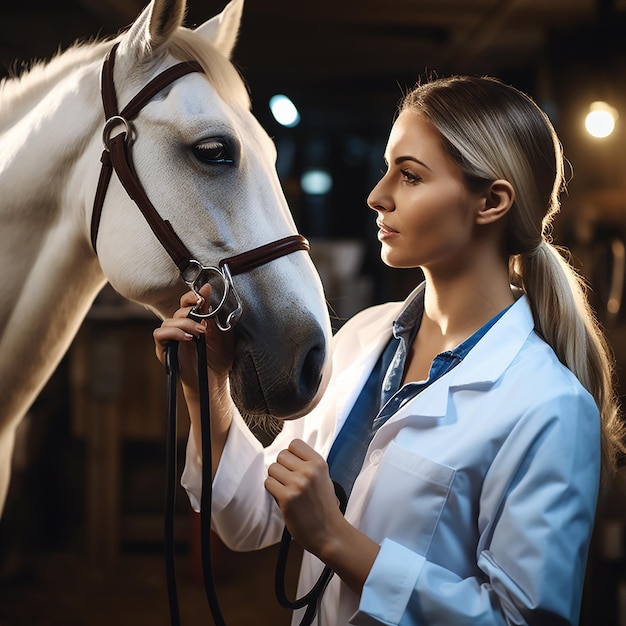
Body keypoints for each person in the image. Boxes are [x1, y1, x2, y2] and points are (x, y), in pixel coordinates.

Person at [153, 75, 625, 625]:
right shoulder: (361, 339)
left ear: (491, 202)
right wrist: (205, 386)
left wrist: (335, 539)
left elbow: (520, 619)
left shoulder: (549, 406)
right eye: (387, 169)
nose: (377, 195)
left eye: (410, 175)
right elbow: (249, 518)